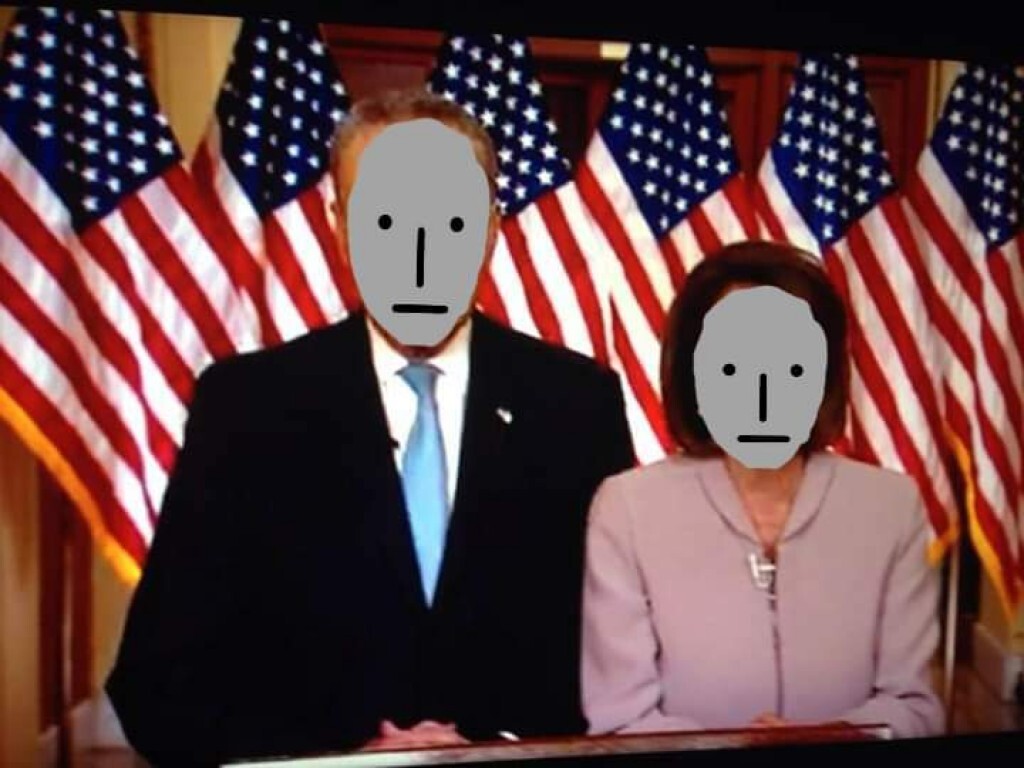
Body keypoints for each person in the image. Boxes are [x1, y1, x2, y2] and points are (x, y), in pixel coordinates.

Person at [106, 89, 635, 766]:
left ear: (491, 228)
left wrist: (501, 750)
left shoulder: (578, 403)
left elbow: (613, 659)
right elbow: (158, 683)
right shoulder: (246, 407)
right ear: (339, 227)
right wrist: (348, 758)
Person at [580, 240, 944, 740]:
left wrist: (824, 740)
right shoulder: (627, 510)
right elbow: (621, 719)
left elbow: (914, 709)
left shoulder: (891, 507)